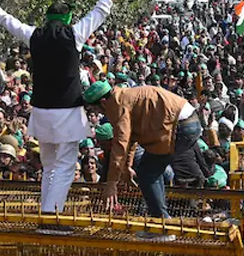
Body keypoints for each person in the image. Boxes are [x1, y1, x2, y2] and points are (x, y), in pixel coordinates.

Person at [0, 0, 135, 235]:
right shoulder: (75, 34)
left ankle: (48, 217)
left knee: (49, 167)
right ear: (67, 18)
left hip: (42, 114)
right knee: (65, 168)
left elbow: (2, 17)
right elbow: (102, 9)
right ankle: (51, 221)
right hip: (67, 114)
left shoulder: (34, 35)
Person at [83, 81, 199, 242]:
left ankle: (162, 226)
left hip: (180, 126)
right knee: (149, 170)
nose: (101, 115)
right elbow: (131, 138)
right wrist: (128, 166)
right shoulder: (124, 97)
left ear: (103, 102)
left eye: (97, 110)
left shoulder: (118, 105)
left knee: (147, 172)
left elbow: (121, 143)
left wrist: (111, 183)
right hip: (186, 123)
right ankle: (161, 221)